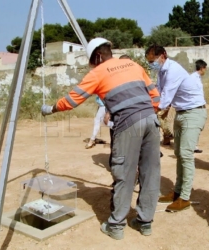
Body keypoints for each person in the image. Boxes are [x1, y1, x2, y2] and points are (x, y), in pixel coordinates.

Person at [41, 38, 161, 240]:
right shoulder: (133, 65)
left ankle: (115, 225)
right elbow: (155, 97)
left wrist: (51, 108)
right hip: (151, 119)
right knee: (150, 172)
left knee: (124, 173)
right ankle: (145, 222)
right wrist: (146, 115)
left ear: (97, 56)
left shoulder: (97, 72)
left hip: (129, 123)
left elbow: (72, 100)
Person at [146, 45, 207, 212]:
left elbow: (165, 97)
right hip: (181, 113)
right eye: (150, 62)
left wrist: (152, 111)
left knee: (186, 154)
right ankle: (177, 191)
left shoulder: (173, 70)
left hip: (193, 114)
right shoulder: (162, 72)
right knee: (179, 153)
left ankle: (185, 197)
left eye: (153, 61)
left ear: (163, 56)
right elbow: (158, 91)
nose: (152, 64)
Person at [191, 59, 208, 153]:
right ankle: (193, 146)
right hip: (195, 106)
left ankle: (194, 145)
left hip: (198, 105)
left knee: (197, 126)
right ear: (202, 68)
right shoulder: (193, 78)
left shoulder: (196, 78)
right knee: (195, 126)